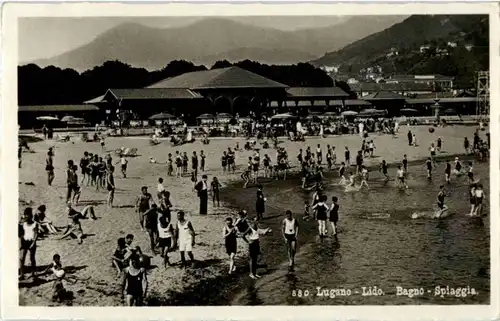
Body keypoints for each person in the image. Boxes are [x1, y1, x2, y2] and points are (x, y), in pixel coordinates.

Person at [19, 208, 38, 280]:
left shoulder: (34, 223)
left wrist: (33, 243)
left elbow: (36, 234)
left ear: (31, 215)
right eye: (25, 216)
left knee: (32, 258)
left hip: (31, 242)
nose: (27, 217)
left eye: (28, 216)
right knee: (21, 258)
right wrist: (21, 243)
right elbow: (21, 234)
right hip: (24, 241)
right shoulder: (23, 223)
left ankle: (33, 273)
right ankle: (22, 274)